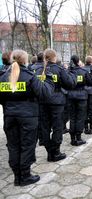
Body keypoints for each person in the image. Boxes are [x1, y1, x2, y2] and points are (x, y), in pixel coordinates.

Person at [0, 49, 54, 186]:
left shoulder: (3, 77)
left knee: (13, 146)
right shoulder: (29, 76)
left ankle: (17, 177)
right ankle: (25, 176)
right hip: (28, 117)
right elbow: (45, 93)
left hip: (10, 117)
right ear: (25, 60)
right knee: (27, 145)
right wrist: (48, 79)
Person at [35, 49, 76, 162]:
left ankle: (49, 152)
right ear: (54, 57)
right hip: (56, 103)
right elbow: (70, 84)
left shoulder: (37, 70)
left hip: (42, 102)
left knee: (45, 127)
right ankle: (56, 152)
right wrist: (71, 73)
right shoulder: (58, 69)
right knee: (57, 127)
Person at [68, 55, 92, 146]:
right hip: (81, 96)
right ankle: (78, 137)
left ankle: (72, 138)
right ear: (78, 61)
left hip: (71, 96)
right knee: (80, 117)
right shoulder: (83, 71)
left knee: (72, 117)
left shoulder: (68, 72)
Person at [83, 56, 92, 134]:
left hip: (84, 91)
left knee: (85, 110)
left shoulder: (82, 69)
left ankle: (85, 128)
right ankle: (91, 127)